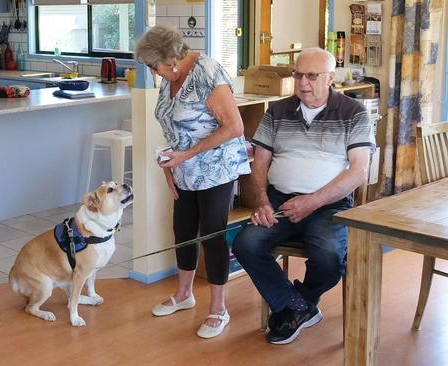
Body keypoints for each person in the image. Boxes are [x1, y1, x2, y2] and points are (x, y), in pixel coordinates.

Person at [232, 47, 375, 345]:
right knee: (245, 244)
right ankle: (297, 307)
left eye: (312, 76)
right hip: (280, 201)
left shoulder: (353, 112)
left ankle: (297, 305)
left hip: (329, 205)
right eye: (298, 75)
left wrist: (312, 201)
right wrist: (262, 201)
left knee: (329, 258)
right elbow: (259, 163)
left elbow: (358, 172)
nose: (303, 83)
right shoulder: (278, 111)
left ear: (330, 78)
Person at [134, 25, 250, 339]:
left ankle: (219, 309)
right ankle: (184, 295)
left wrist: (187, 156)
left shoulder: (207, 72)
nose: (151, 72)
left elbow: (235, 127)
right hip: (184, 169)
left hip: (215, 169)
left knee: (212, 236)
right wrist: (169, 164)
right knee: (183, 230)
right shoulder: (172, 78)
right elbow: (173, 126)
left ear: (170, 58)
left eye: (152, 65)